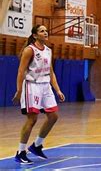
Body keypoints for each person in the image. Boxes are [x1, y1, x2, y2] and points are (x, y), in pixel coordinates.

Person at [12, 25, 65, 165]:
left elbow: (51, 72)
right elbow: (20, 71)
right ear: (35, 35)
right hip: (32, 85)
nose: (45, 32)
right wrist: (19, 91)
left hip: (45, 85)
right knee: (32, 119)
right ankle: (20, 152)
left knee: (53, 116)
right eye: (42, 31)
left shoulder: (48, 50)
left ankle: (36, 145)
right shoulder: (30, 50)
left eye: (46, 30)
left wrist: (58, 90)